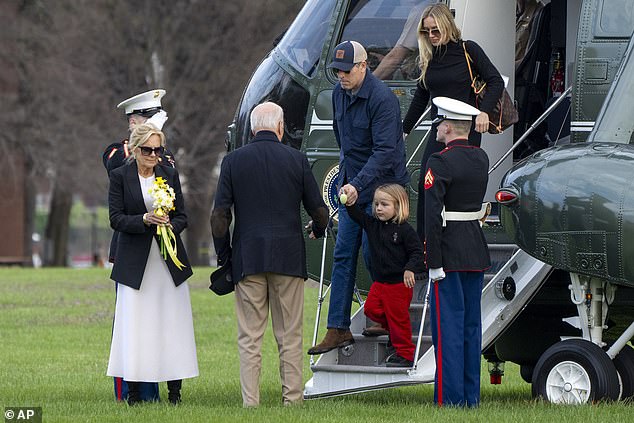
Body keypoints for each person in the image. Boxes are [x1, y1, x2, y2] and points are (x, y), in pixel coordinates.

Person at [210, 102, 328, 407]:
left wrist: (225, 256)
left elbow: (220, 215)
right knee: (289, 336)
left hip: (248, 258)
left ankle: (251, 402)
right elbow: (318, 209)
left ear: (251, 129)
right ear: (280, 126)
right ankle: (293, 400)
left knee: (250, 337)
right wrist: (318, 227)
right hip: (288, 257)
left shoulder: (233, 161)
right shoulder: (297, 160)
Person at [308, 41, 409, 355]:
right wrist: (347, 178)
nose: (341, 76)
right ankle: (337, 328)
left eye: (347, 70)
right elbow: (345, 143)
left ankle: (382, 317)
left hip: (383, 188)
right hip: (355, 186)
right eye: (337, 70)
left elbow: (385, 153)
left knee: (375, 255)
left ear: (364, 66)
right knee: (342, 255)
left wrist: (358, 184)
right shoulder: (338, 93)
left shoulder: (383, 100)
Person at [107, 122, 198, 406]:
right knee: (136, 326)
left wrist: (170, 224)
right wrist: (144, 220)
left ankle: (175, 394)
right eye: (147, 150)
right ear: (135, 150)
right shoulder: (120, 176)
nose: (153, 156)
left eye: (158, 150)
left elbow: (183, 216)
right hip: (135, 263)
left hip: (166, 262)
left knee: (171, 325)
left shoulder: (169, 174)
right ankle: (133, 394)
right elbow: (116, 218)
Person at [401, 3, 504, 240]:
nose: (431, 36)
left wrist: (484, 112)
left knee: (460, 187)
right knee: (427, 183)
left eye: (435, 30)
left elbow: (495, 81)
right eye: (426, 32)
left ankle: (459, 239)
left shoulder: (468, 50)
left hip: (466, 130)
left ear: (447, 26)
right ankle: (426, 248)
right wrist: (404, 130)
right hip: (440, 129)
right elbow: (421, 96)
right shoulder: (428, 56)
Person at [102, 89, 174, 403]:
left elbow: (169, 180)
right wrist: (139, 141)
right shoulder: (116, 153)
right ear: (134, 121)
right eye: (147, 121)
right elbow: (119, 167)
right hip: (130, 249)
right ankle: (129, 390)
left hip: (158, 252)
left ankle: (154, 389)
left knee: (156, 325)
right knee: (131, 325)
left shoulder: (163, 157)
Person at [424, 97, 491, 407]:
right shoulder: (481, 158)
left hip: (448, 253)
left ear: (449, 126)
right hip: (474, 249)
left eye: (440, 122)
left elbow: (432, 215)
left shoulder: (440, 162)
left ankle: (450, 401)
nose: (438, 127)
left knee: (448, 329)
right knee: (470, 329)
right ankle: (469, 398)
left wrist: (433, 261)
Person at [345, 184, 424, 367]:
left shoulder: (405, 230)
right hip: (380, 283)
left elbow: (417, 253)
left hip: (398, 285)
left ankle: (406, 355)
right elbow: (357, 215)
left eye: (384, 204)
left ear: (398, 206)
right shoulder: (373, 225)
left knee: (399, 319)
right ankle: (390, 330)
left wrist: (410, 269)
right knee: (371, 309)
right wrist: (349, 203)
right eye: (376, 204)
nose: (379, 208)